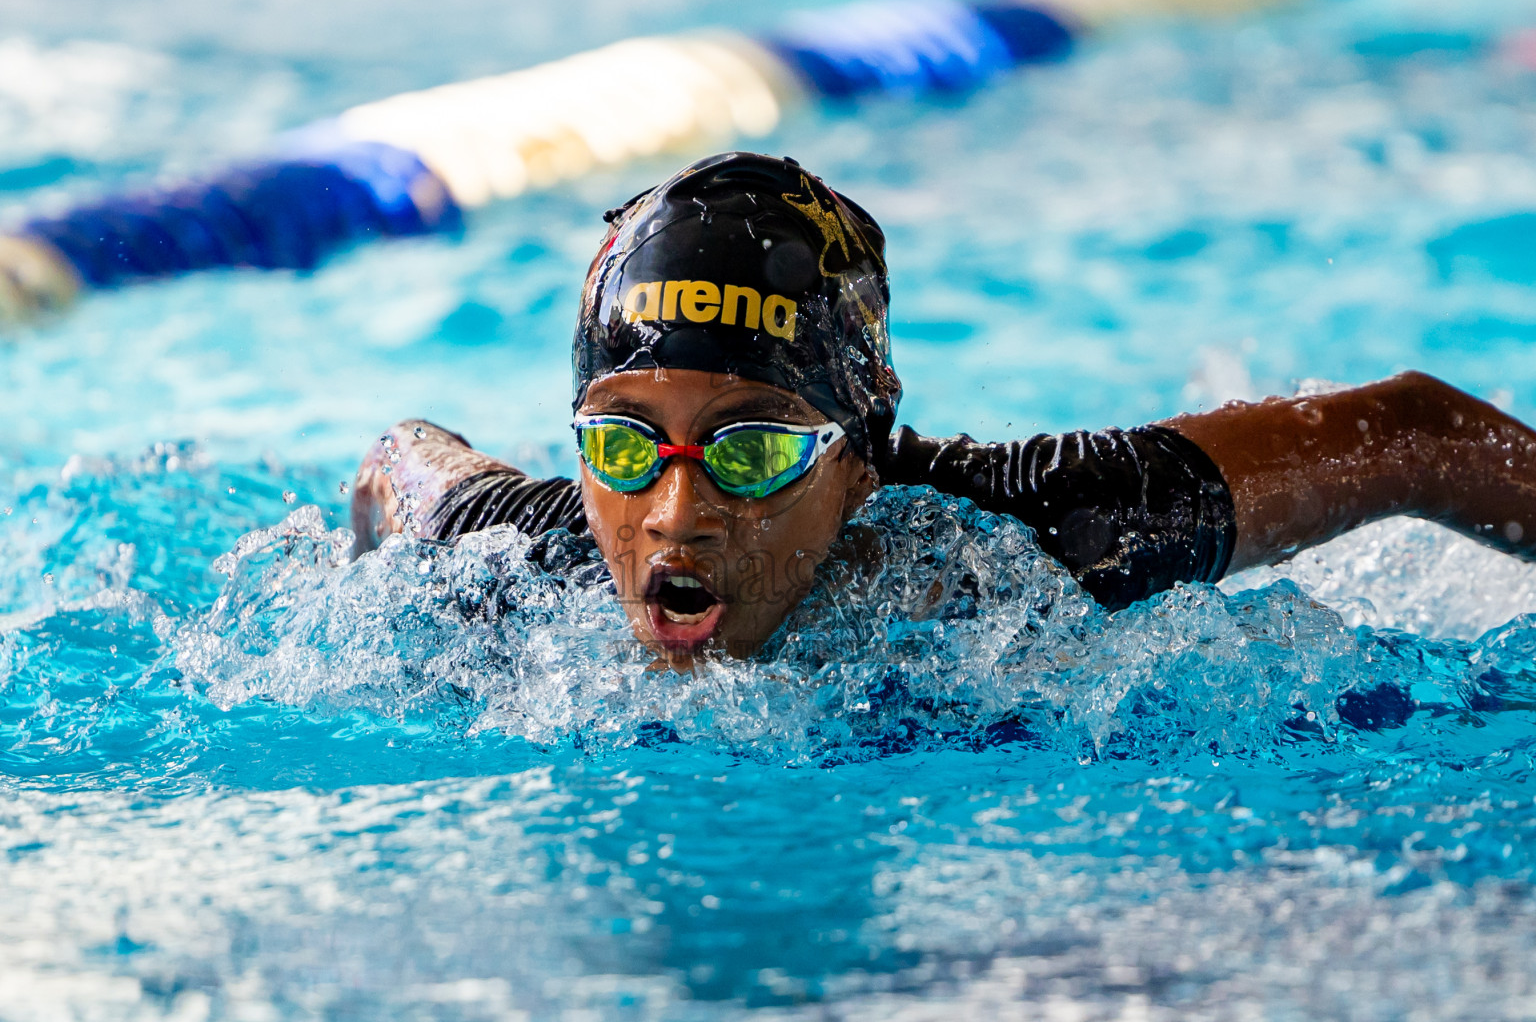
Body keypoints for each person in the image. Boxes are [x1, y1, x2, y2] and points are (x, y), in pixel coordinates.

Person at [352, 151, 1536, 670]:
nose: (675, 510)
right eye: (623, 441)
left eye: (754, 447)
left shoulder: (1026, 540)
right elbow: (399, 463)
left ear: (859, 460)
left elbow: (1416, 434)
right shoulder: (531, 553)